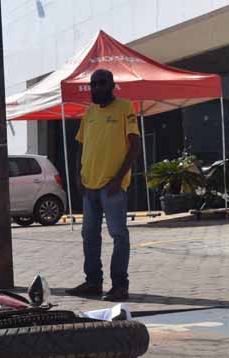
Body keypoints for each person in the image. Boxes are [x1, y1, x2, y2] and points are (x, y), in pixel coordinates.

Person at [66, 69, 140, 301]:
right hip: (89, 186)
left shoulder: (125, 107)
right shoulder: (89, 113)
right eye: (93, 84)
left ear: (112, 85)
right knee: (89, 235)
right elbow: (80, 145)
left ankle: (120, 285)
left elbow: (135, 145)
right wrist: (79, 176)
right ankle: (93, 282)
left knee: (118, 234)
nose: (96, 87)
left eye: (101, 83)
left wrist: (119, 179)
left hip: (112, 186)